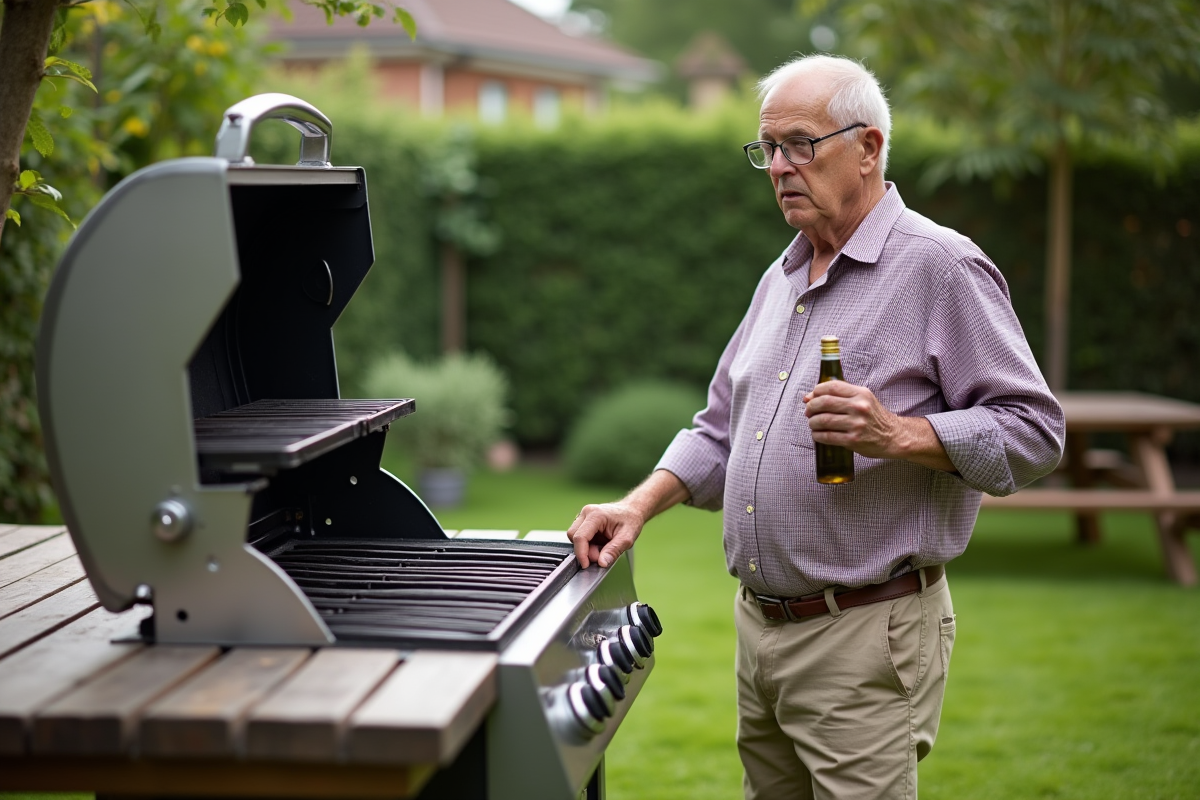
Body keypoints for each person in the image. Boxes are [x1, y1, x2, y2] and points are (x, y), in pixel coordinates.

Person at [567, 54, 1065, 800]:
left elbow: (1034, 433)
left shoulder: (940, 266)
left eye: (800, 144)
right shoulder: (784, 277)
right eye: (766, 149)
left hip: (864, 635)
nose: (778, 167)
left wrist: (897, 434)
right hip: (759, 633)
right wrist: (634, 507)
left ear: (868, 148)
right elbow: (719, 430)